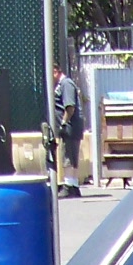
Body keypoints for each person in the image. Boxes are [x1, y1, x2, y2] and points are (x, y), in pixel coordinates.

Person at [52, 64, 83, 197]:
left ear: (55, 72)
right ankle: (74, 185)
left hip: (70, 126)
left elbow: (70, 107)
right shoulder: (63, 84)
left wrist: (63, 123)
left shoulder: (66, 84)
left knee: (68, 156)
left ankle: (69, 186)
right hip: (71, 126)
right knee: (71, 156)